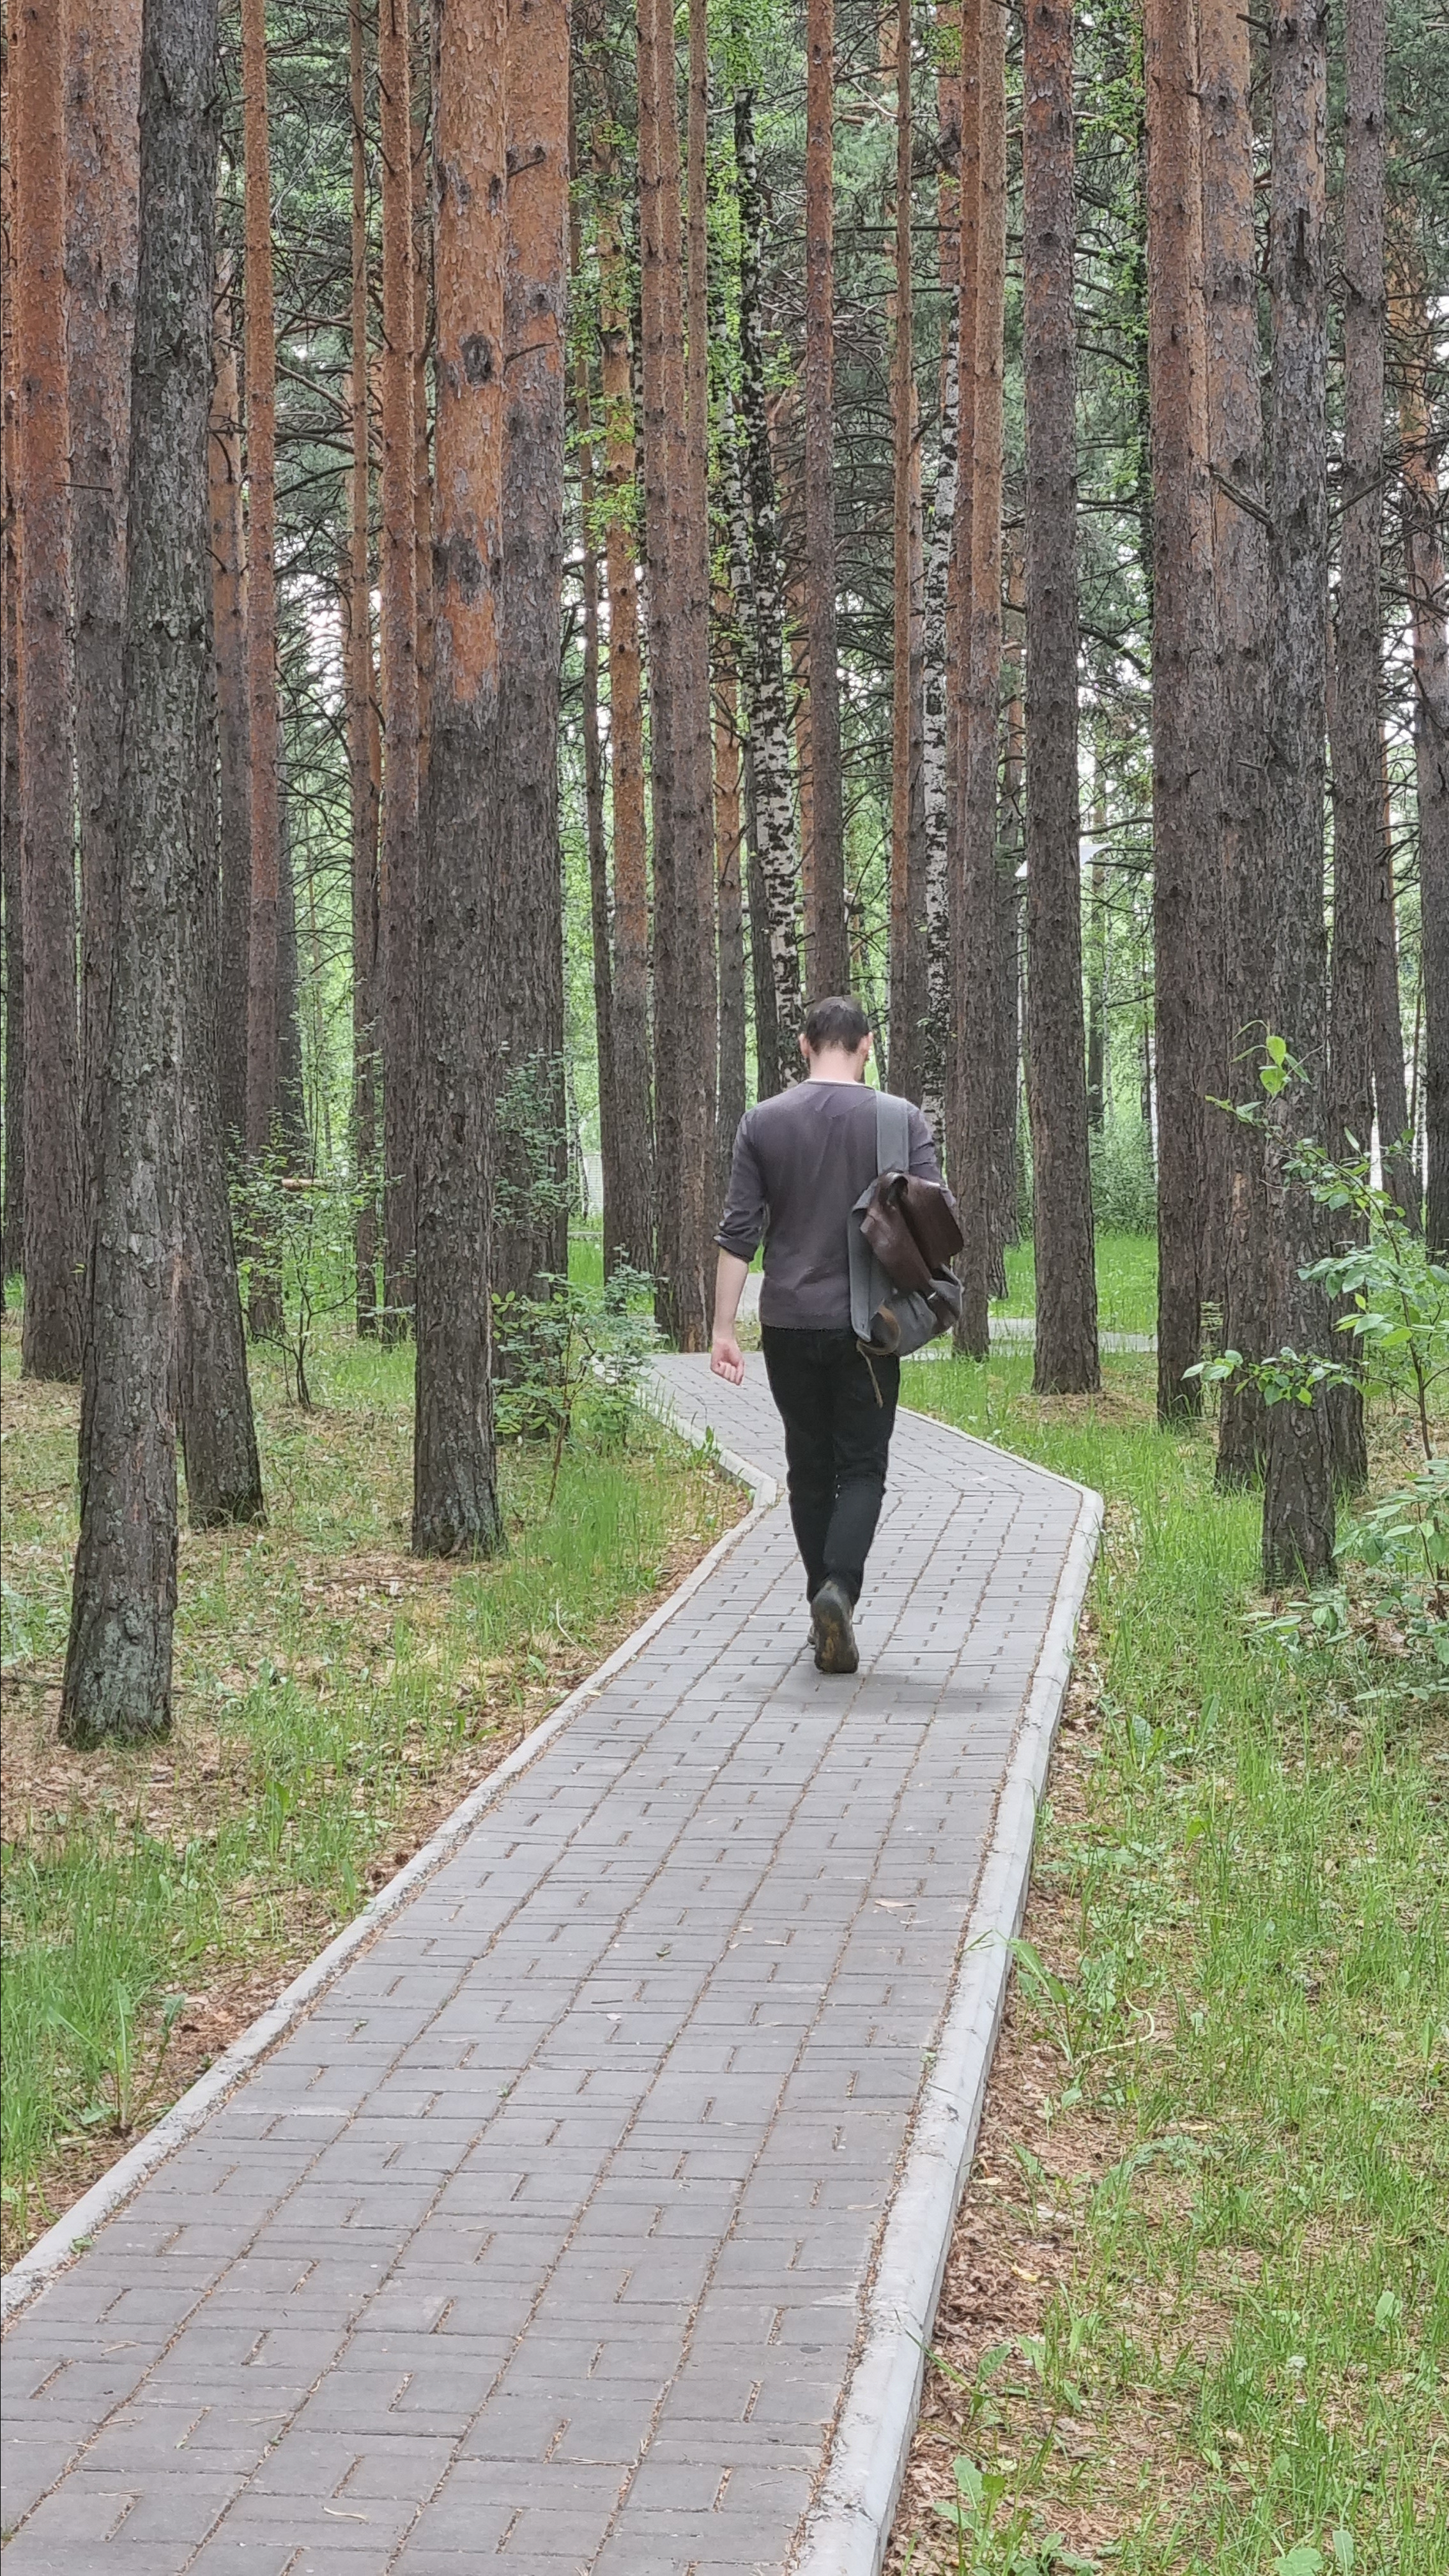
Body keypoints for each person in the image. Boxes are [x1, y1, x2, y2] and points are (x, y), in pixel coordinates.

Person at [710, 995, 947, 1675]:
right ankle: (839, 1590)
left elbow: (738, 1236)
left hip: (786, 1323)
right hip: (870, 1327)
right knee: (863, 1467)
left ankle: (821, 1606)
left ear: (805, 1045)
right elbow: (936, 1219)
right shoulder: (899, 1119)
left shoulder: (764, 1122)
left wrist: (724, 1329)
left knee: (808, 1470)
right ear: (867, 1046)